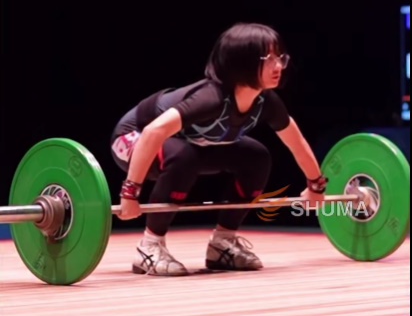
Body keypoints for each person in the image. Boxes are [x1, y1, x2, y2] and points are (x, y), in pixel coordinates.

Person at [110, 22, 328, 276]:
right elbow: (152, 132)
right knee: (183, 157)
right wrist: (130, 193)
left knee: (256, 157)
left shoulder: (266, 102)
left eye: (280, 57)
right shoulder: (210, 98)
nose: (278, 66)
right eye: (268, 59)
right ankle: (149, 246)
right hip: (133, 139)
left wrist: (316, 186)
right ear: (241, 61)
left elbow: (296, 142)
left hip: (190, 144)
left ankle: (223, 243)